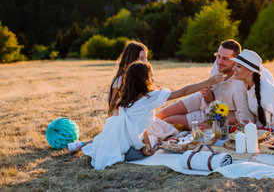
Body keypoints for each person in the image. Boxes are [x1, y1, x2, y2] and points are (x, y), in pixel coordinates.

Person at [79, 61, 224, 170]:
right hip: (129, 150)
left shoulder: (126, 98)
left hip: (117, 143)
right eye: (152, 75)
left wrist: (146, 143)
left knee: (156, 137)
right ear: (146, 79)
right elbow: (183, 91)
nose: (154, 78)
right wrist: (209, 82)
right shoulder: (150, 97)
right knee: (157, 144)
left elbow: (139, 126)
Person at [156, 40, 253, 129]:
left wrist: (213, 124)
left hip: (213, 115)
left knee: (167, 121)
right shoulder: (218, 65)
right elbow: (212, 96)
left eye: (225, 58)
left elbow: (244, 118)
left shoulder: (239, 86)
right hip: (202, 100)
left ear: (236, 60)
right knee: (161, 115)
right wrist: (207, 94)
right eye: (218, 56)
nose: (219, 61)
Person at [231, 49, 274, 127]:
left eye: (238, 66)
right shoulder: (247, 85)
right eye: (234, 65)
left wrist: (256, 131)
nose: (233, 68)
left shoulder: (266, 92)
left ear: (251, 71)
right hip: (266, 131)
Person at [108, 40, 148, 116]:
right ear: (132, 59)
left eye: (146, 58)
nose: (145, 61)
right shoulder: (121, 79)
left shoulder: (141, 78)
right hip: (123, 119)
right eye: (142, 58)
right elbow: (113, 105)